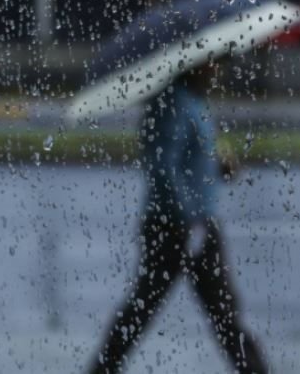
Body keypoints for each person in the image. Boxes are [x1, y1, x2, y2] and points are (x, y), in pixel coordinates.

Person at [87, 62, 267, 374]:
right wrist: (187, 218)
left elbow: (188, 163)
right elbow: (162, 168)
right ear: (194, 67)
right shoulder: (172, 104)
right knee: (172, 308)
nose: (217, 70)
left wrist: (219, 167)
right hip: (178, 225)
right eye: (211, 64)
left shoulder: (191, 102)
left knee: (196, 309)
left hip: (192, 223)